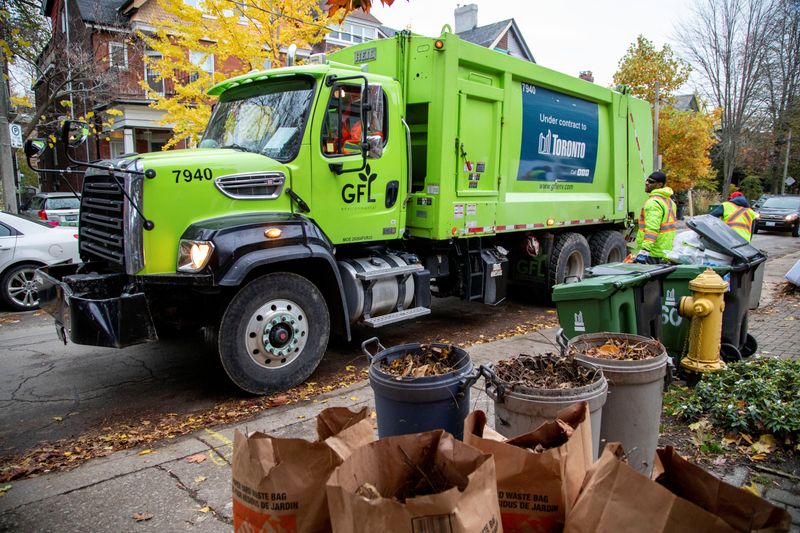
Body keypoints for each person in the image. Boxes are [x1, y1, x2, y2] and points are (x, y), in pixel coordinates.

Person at [632, 171, 677, 264]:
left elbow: (652, 229)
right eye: (647, 180)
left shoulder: (653, 202)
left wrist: (644, 251)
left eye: (651, 181)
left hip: (653, 252)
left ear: (659, 184)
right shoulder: (669, 201)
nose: (647, 183)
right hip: (665, 250)